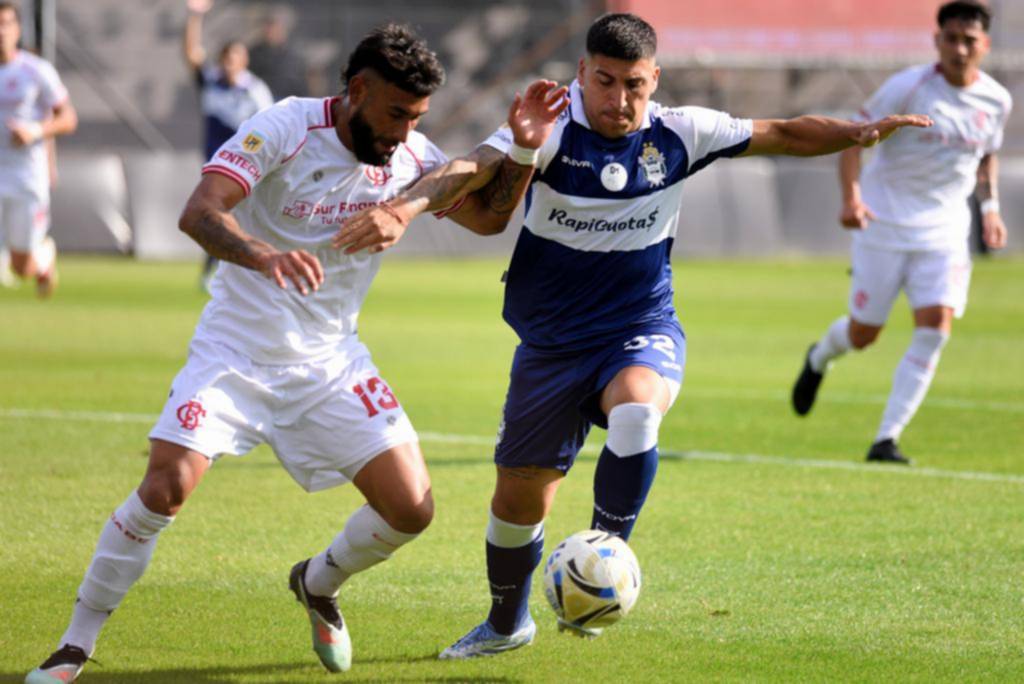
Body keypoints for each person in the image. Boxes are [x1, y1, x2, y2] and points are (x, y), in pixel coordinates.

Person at [331, 12, 930, 658]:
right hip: (552, 345)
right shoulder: (553, 130)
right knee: (516, 503)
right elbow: (472, 169)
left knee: (639, 407)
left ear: (655, 80)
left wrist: (859, 132)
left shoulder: (679, 132)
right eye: (607, 82)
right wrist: (406, 206)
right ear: (583, 73)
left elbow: (781, 131)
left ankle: (606, 555)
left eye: (635, 85)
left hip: (639, 326)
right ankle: (507, 624)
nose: (620, 100)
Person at [25, 23, 567, 682]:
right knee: (166, 486)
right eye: (395, 113)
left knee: (411, 510)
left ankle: (317, 583)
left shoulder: (407, 155)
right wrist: (264, 255)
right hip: (237, 352)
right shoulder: (283, 128)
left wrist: (522, 149)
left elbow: (487, 217)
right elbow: (199, 212)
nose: (403, 132)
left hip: (332, 362)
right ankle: (75, 645)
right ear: (357, 89)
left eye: (416, 118)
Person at [791, 0, 1011, 465]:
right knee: (864, 333)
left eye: (969, 40)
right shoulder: (907, 88)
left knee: (936, 328)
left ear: (984, 45)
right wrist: (851, 198)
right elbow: (854, 138)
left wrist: (990, 208)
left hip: (945, 232)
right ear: (937, 41)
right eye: (950, 38)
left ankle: (885, 439)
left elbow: (986, 155)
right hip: (884, 225)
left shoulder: (996, 100)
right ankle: (819, 357)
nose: (959, 48)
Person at [182, 0, 274, 289]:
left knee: (239, 218)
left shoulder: (255, 91)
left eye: (236, 57)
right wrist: (195, 17)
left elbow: (271, 128)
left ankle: (231, 272)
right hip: (215, 162)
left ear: (244, 60)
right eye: (227, 57)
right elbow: (191, 54)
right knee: (217, 216)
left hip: (248, 165)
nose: (230, 62)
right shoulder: (212, 82)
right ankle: (218, 273)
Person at [0, 1, 77, 297]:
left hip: (26, 177)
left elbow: (68, 118)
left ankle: (44, 258)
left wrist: (34, 131)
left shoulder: (36, 70)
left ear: (17, 29)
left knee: (23, 268)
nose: (1, 31)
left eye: (7, 23)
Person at [247, 5, 313, 100]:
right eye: (268, 26)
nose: (270, 31)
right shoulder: (253, 53)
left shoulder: (294, 56)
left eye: (274, 26)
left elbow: (301, 86)